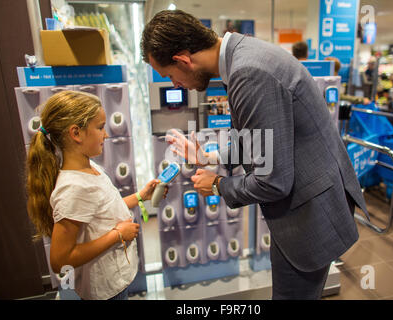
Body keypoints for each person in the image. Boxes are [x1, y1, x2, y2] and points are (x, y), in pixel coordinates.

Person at [141, 10, 369, 300]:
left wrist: (217, 185)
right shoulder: (243, 54)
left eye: (169, 76)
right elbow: (257, 140)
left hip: (308, 212)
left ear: (183, 60)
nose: (174, 85)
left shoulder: (248, 73)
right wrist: (208, 156)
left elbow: (273, 181)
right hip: (309, 199)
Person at [26, 90, 164, 300]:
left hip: (115, 279)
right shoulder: (73, 188)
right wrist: (117, 235)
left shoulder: (90, 167)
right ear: (76, 133)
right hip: (105, 292)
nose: (106, 134)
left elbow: (104, 209)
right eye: (100, 127)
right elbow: (60, 260)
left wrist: (140, 196)